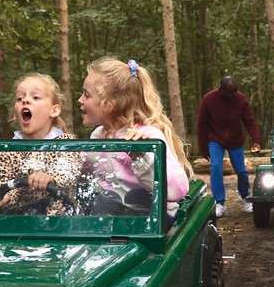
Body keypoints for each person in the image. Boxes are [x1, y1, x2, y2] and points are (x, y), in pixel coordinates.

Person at [78, 57, 191, 215]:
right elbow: (84, 173)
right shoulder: (98, 136)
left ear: (109, 105)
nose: (80, 100)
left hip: (153, 219)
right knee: (100, 198)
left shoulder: (147, 136)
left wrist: (141, 157)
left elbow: (178, 189)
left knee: (133, 196)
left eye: (86, 95)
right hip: (111, 216)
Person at [0, 73, 79, 215]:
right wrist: (1, 196)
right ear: (15, 113)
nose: (25, 101)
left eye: (35, 97)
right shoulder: (8, 149)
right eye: (20, 98)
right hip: (18, 222)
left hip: (59, 222)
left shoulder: (66, 143)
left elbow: (69, 172)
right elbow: (1, 183)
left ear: (54, 110)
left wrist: (51, 178)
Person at [195, 75, 262, 218]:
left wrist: (256, 140)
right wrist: (203, 147)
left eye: (234, 93)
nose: (231, 96)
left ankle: (245, 197)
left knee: (242, 171)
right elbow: (202, 124)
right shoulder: (209, 99)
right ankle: (219, 202)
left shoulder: (240, 99)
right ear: (221, 90)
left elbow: (249, 120)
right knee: (216, 167)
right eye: (228, 93)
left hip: (235, 139)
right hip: (215, 139)